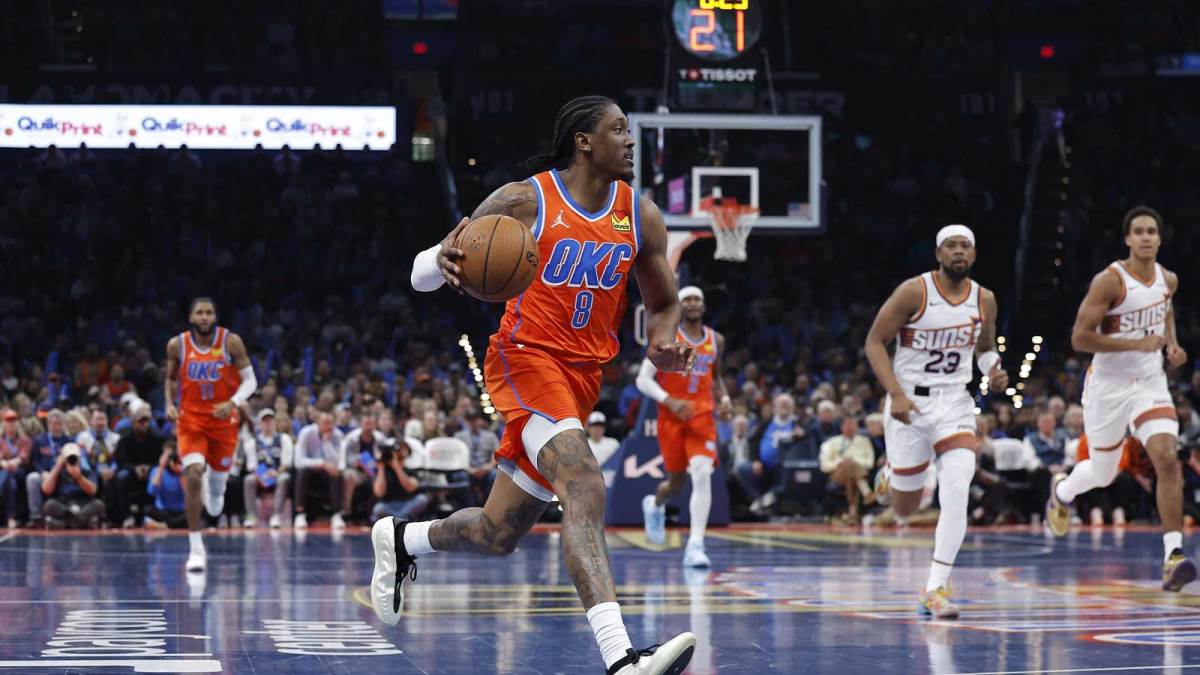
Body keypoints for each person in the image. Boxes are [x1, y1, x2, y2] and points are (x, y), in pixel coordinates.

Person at [373, 96, 697, 674]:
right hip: (524, 360)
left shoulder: (639, 215)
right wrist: (438, 260)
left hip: (581, 376)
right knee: (585, 484)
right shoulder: (526, 199)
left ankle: (403, 540)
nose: (630, 140)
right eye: (618, 129)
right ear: (584, 142)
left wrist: (664, 342)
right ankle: (622, 660)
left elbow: (665, 303)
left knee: (498, 533)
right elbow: (427, 270)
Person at [1046, 206, 1197, 591]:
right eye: (1139, 232)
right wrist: (1135, 342)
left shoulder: (1169, 280)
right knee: (1103, 472)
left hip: (1149, 382)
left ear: (1160, 240)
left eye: (1152, 231)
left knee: (1166, 457)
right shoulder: (1110, 282)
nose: (1146, 237)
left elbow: (1165, 312)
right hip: (1108, 388)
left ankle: (1172, 556)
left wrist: (1172, 346)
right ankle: (1062, 492)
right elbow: (1080, 338)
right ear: (1128, 239)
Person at [865, 224, 1008, 618]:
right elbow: (874, 342)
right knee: (904, 509)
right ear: (938, 254)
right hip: (910, 403)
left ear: (974, 255)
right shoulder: (915, 291)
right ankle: (891, 475)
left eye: (965, 246)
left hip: (955, 403)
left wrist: (994, 368)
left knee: (958, 485)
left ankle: (935, 588)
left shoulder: (985, 299)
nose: (959, 252)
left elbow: (984, 348)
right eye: (951, 246)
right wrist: (895, 392)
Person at [637, 285, 731, 567]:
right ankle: (654, 505)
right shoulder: (667, 338)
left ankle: (695, 545)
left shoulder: (716, 340)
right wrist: (670, 400)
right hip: (671, 417)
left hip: (702, 417)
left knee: (702, 474)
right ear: (680, 305)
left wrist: (724, 398)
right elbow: (642, 379)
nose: (692, 303)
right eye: (687, 299)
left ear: (702, 306)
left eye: (697, 299)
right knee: (676, 483)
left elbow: (717, 376)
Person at [164, 297, 257, 573]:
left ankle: (216, 490)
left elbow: (251, 381)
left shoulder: (231, 342)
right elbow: (170, 379)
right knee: (193, 474)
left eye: (209, 312)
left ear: (214, 316)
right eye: (199, 313)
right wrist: (169, 404)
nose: (204, 317)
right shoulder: (176, 345)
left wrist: (233, 402)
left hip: (223, 421)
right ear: (191, 318)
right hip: (190, 421)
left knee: (216, 497)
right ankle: (195, 549)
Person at [292, 411, 345, 528]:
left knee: (337, 473)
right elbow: (299, 462)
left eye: (331, 423)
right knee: (302, 472)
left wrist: (327, 443)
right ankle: (300, 514)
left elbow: (340, 463)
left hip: (328, 474)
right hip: (311, 473)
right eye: (325, 423)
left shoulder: (338, 435)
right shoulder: (306, 433)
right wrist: (322, 463)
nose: (329, 427)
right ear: (317, 423)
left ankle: (337, 514)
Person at [818, 416, 875, 522]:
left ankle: (851, 514)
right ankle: (866, 492)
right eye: (848, 425)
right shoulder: (831, 442)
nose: (850, 428)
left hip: (857, 473)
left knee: (850, 472)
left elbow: (870, 463)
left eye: (853, 425)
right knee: (848, 466)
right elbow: (824, 466)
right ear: (842, 427)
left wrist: (852, 461)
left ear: (857, 428)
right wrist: (840, 462)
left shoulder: (865, 442)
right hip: (837, 475)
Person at [246, 408, 294, 528]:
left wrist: (276, 473)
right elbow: (251, 464)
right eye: (265, 421)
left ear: (274, 423)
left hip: (277, 473)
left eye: (270, 420)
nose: (268, 423)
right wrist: (261, 475)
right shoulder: (253, 442)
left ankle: (276, 515)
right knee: (248, 480)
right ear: (260, 424)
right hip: (260, 475)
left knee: (284, 478)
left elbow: (286, 462)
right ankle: (251, 516)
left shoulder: (284, 439)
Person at [42, 443, 104, 529]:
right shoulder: (58, 472)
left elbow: (93, 490)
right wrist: (57, 467)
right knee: (49, 505)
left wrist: (78, 477)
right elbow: (46, 489)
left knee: (99, 504)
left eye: (74, 457)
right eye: (69, 458)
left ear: (79, 458)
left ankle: (64, 525)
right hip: (64, 506)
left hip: (83, 504)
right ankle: (83, 524)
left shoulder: (86, 471)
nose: (72, 460)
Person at [370, 438, 431, 523]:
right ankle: (402, 520)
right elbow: (379, 493)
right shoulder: (383, 471)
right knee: (378, 508)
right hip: (389, 505)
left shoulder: (410, 470)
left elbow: (410, 487)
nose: (400, 452)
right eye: (399, 449)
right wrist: (381, 466)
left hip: (408, 503)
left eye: (404, 449)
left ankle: (397, 520)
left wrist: (396, 466)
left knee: (422, 499)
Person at [145, 442, 188, 529]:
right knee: (148, 510)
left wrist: (180, 474)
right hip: (163, 511)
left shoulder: (184, 471)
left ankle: (163, 525)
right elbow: (152, 492)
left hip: (180, 510)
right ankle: (174, 524)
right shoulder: (156, 470)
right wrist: (161, 467)